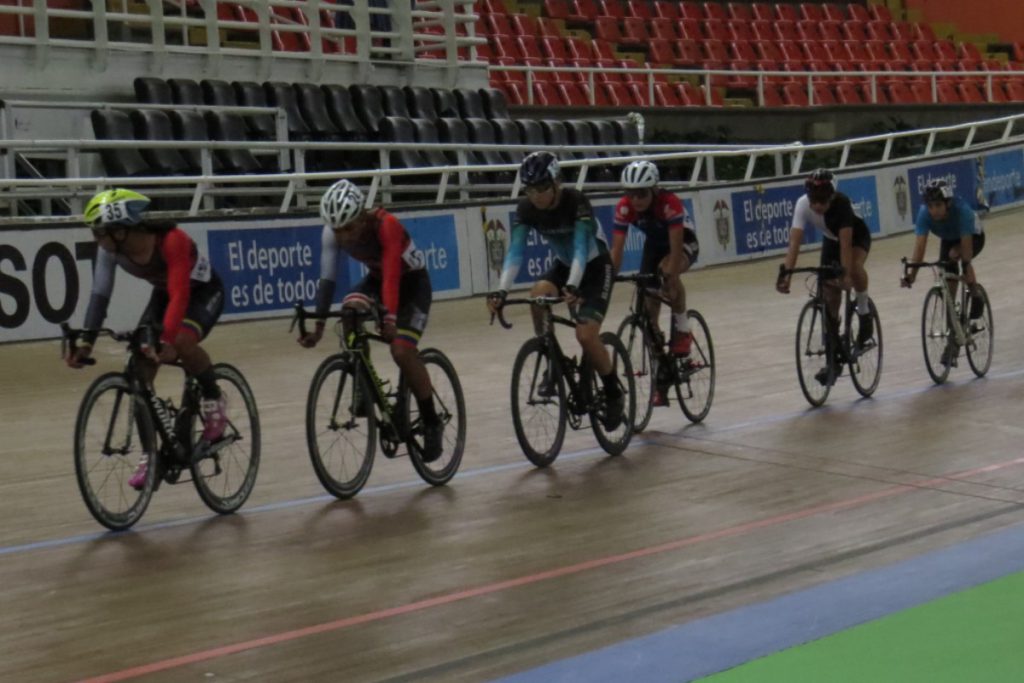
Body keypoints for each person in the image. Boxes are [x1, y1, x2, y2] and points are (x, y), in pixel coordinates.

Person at [65, 189, 227, 489]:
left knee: (181, 342)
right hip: (165, 296)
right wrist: (87, 341)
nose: (95, 238)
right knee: (141, 368)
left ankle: (214, 397)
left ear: (120, 230)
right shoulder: (110, 251)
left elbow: (180, 294)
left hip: (201, 293)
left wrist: (167, 340)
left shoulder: (172, 240)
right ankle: (150, 455)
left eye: (98, 232)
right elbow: (100, 295)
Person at [298, 179, 443, 461]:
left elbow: (392, 275)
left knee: (401, 351)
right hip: (378, 280)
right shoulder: (332, 233)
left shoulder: (386, 225)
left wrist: (389, 319)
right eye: (337, 230)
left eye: (348, 228)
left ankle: (431, 420)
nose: (343, 237)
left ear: (362, 218)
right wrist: (318, 327)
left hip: (412, 284)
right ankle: (362, 384)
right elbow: (327, 280)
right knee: (349, 312)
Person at [486, 151, 625, 429]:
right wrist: (500, 291)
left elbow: (581, 247)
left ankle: (613, 392)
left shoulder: (576, 202)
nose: (535, 196)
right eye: (529, 189)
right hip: (564, 265)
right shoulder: (526, 209)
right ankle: (551, 358)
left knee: (586, 335)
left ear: (556, 182)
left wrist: (573, 285)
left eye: (541, 188)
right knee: (537, 295)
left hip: (595, 267)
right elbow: (515, 251)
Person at [609, 160, 699, 406]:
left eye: (641, 194)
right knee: (649, 311)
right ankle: (662, 374)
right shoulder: (624, 207)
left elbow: (676, 247)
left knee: (667, 272)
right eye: (631, 194)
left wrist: (671, 278)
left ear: (654, 190)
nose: (636, 200)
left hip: (682, 242)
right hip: (654, 245)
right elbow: (616, 251)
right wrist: (609, 278)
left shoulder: (669, 203)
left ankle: (683, 329)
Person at [776, 169, 873, 385]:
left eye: (822, 202)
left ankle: (864, 313)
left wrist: (845, 275)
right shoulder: (802, 204)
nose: (818, 206)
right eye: (814, 201)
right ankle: (833, 359)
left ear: (832, 197)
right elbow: (794, 243)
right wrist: (787, 274)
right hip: (831, 239)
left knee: (853, 268)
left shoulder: (842, 204)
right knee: (829, 298)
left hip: (855, 237)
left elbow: (846, 245)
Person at [901, 178, 986, 365]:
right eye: (930, 206)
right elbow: (920, 247)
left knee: (958, 257)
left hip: (972, 236)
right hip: (949, 239)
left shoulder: (963, 212)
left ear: (948, 203)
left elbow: (966, 252)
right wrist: (912, 276)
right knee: (949, 290)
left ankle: (975, 294)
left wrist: (964, 264)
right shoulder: (924, 214)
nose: (934, 211)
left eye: (938, 205)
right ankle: (952, 341)